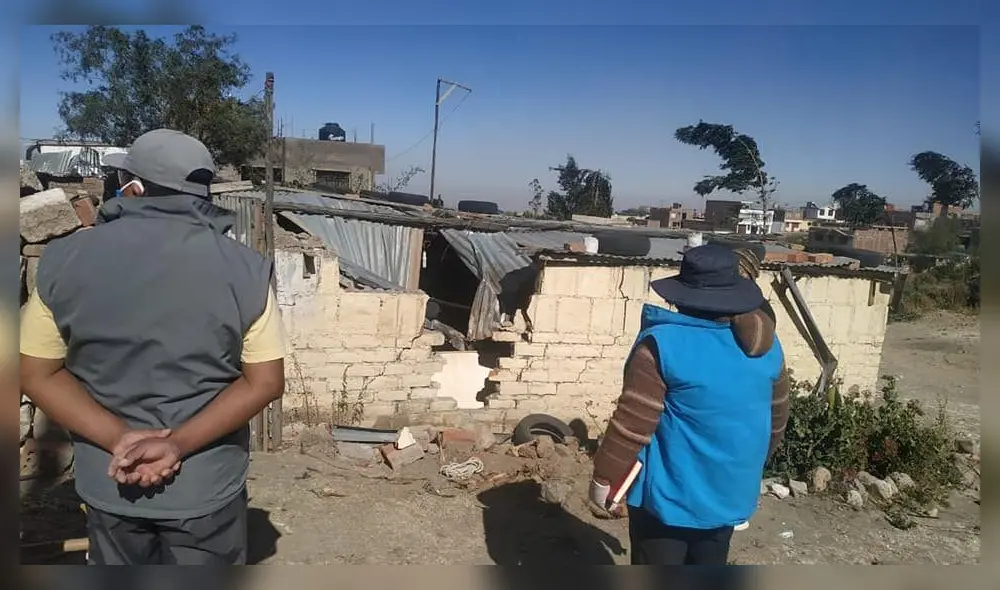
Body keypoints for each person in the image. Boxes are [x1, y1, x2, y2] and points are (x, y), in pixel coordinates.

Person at [20, 128, 288, 565]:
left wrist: (120, 439)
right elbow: (265, 382)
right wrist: (176, 445)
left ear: (135, 187)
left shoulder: (62, 260)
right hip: (205, 484)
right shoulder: (247, 271)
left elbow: (35, 372)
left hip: (111, 478)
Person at [589, 244, 790, 565]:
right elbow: (776, 421)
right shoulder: (769, 347)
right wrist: (744, 466)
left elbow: (631, 424)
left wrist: (604, 478)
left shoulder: (662, 344)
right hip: (728, 494)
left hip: (667, 501)